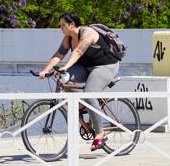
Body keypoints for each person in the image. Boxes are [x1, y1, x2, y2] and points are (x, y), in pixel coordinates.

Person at [38, 12, 120, 152]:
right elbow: (58, 55)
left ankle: (100, 133)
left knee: (89, 93)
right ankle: (82, 106)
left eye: (62, 24)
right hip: (86, 67)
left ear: (72, 24)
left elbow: (78, 53)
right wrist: (45, 71)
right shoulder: (68, 38)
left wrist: (65, 67)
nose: (60, 27)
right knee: (64, 78)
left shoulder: (88, 33)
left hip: (105, 66)